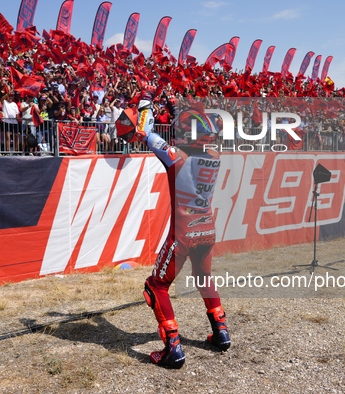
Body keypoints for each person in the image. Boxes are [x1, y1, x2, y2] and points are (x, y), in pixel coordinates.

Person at [117, 84, 230, 369]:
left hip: (184, 232)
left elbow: (144, 131)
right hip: (207, 227)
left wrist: (147, 99)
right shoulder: (215, 155)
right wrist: (171, 101)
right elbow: (193, 123)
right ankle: (221, 332)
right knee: (204, 278)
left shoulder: (175, 157)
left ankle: (173, 349)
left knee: (156, 287)